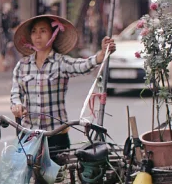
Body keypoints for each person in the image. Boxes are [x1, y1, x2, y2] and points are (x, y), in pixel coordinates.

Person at [10, 15, 116, 156]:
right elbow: (15, 93)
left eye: (43, 31)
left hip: (56, 134)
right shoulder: (22, 66)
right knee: (28, 174)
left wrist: (100, 56)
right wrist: (16, 105)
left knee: (58, 176)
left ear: (53, 35)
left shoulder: (61, 62)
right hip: (30, 134)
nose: (37, 36)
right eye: (34, 31)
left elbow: (81, 65)